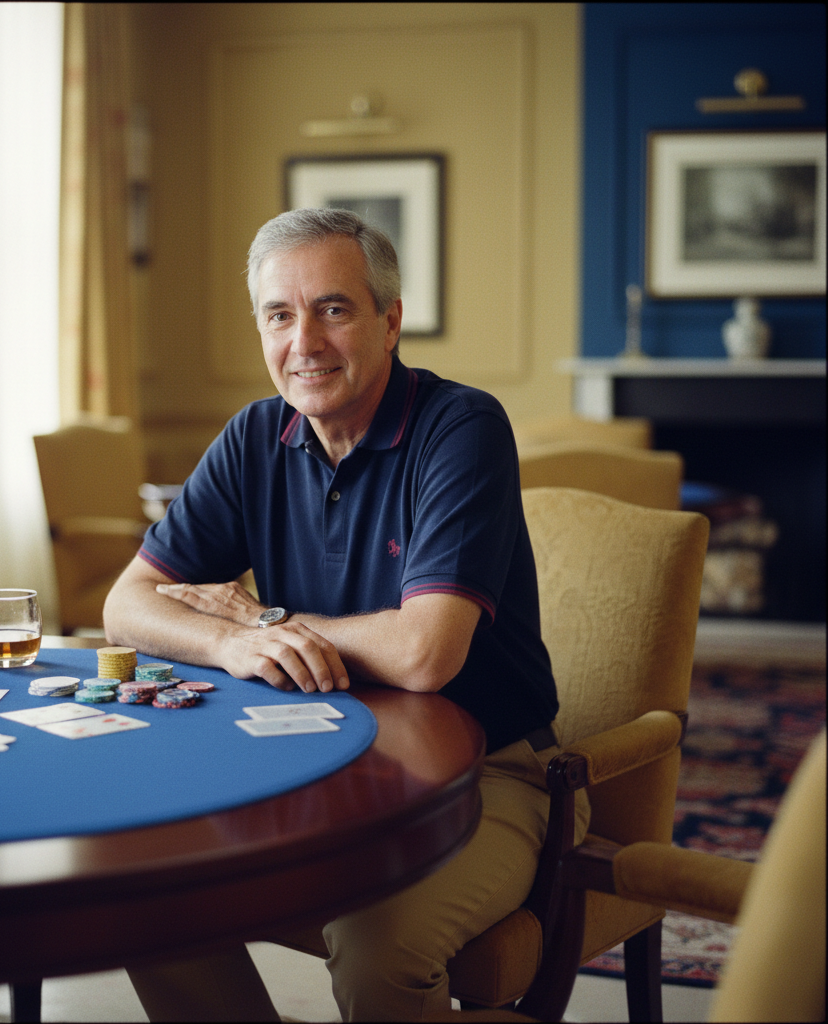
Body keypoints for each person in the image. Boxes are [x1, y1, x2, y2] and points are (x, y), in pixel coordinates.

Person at [104, 208, 589, 1022]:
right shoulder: (256, 435)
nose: (306, 342)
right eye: (279, 314)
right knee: (149, 894)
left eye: (333, 308)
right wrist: (228, 640)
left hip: (487, 775)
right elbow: (126, 606)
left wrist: (263, 623)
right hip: (310, 768)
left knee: (377, 951)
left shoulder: (461, 429)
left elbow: (425, 653)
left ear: (390, 321)